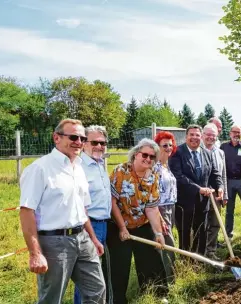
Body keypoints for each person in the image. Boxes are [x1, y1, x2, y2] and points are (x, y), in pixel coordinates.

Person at [19, 119, 106, 304]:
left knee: (97, 290)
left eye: (82, 138)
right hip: (54, 242)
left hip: (82, 239)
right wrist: (35, 253)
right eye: (73, 137)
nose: (79, 142)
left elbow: (82, 209)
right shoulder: (39, 169)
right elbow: (26, 212)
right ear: (56, 137)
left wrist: (93, 238)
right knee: (52, 298)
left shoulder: (79, 167)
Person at [106, 139, 167, 304]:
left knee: (152, 259)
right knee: (120, 264)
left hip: (141, 224)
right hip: (118, 225)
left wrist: (158, 233)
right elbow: (111, 202)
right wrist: (121, 228)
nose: (148, 159)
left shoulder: (153, 176)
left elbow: (152, 208)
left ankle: (155, 295)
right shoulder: (120, 171)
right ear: (136, 154)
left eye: (152, 157)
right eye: (145, 155)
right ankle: (117, 299)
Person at [169, 124, 224, 254]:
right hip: (184, 202)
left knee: (202, 230)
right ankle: (186, 260)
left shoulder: (206, 153)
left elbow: (214, 173)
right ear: (186, 136)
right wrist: (198, 189)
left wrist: (220, 186)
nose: (194, 138)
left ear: (201, 137)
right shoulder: (177, 152)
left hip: (203, 201)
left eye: (197, 135)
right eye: (191, 135)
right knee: (185, 232)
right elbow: (178, 176)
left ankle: (200, 259)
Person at [74, 125, 112, 304]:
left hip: (103, 224)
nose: (99, 146)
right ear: (84, 143)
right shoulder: (79, 167)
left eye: (103, 143)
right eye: (95, 142)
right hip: (89, 224)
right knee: (88, 277)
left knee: (94, 274)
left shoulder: (99, 164)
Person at [154, 131, 178, 283]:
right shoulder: (155, 167)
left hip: (171, 206)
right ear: (157, 147)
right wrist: (159, 216)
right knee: (167, 242)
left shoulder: (166, 165)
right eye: (164, 145)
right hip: (160, 208)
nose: (168, 148)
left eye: (170, 145)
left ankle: (168, 276)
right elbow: (152, 194)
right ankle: (170, 279)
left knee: (168, 240)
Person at [202, 123, 228, 260]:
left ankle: (211, 251)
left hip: (217, 194)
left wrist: (224, 192)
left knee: (215, 223)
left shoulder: (220, 152)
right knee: (202, 224)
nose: (210, 137)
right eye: (208, 134)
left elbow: (223, 174)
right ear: (202, 135)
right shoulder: (198, 150)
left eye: (214, 135)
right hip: (201, 193)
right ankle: (199, 252)